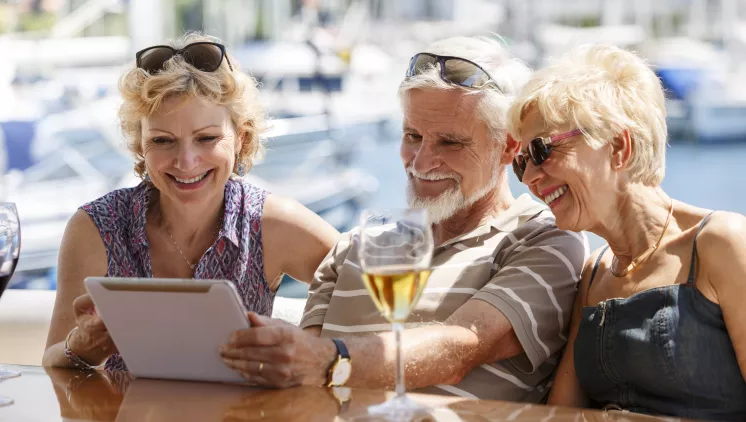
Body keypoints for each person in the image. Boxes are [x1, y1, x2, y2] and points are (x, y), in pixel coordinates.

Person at [218, 36, 588, 403]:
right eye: (412, 135)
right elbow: (302, 381)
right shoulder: (352, 249)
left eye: (450, 143)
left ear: (508, 146)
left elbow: (462, 346)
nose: (422, 162)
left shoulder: (544, 240)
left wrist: (330, 361)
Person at [42, 33, 340, 371]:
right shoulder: (94, 227)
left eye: (207, 138)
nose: (186, 161)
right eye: (163, 140)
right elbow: (54, 360)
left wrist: (317, 345)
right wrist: (81, 347)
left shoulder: (270, 222)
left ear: (240, 138)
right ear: (140, 145)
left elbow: (369, 294)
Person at [507, 43, 746, 420]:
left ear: (618, 146)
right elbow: (561, 414)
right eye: (521, 164)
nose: (531, 179)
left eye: (541, 150)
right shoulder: (594, 275)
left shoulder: (722, 242)